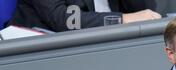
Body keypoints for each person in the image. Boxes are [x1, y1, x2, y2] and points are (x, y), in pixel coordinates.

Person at [10, 0, 161, 32]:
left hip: (109, 40)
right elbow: (65, 20)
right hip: (45, 52)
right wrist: (123, 19)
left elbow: (146, 10)